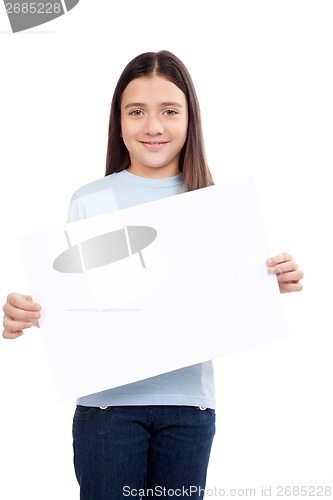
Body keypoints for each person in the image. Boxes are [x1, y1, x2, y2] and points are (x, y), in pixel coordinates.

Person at [2, 50, 304, 499]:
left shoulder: (213, 204)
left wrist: (268, 281)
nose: (153, 127)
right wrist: (25, 311)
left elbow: (219, 302)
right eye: (137, 111)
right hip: (107, 408)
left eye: (169, 111)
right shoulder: (91, 200)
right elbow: (78, 303)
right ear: (118, 121)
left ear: (190, 118)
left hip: (189, 408)